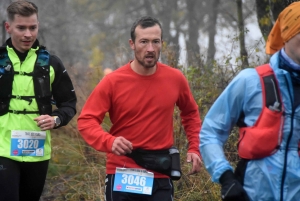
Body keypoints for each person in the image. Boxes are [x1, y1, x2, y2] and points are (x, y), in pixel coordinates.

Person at [77, 16, 201, 201]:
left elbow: (190, 113)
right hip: (123, 173)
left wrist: (194, 148)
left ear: (162, 44)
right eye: (144, 42)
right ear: (132, 44)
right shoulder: (113, 81)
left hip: (160, 172)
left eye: (155, 42)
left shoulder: (175, 78)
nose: (150, 49)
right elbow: (86, 121)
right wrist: (109, 141)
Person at [200, 2, 300, 201]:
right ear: (288, 33)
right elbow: (210, 132)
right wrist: (226, 178)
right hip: (251, 195)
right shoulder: (250, 80)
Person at [0, 1, 77, 201]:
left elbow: (69, 104)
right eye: (21, 28)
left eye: (32, 27)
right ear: (8, 27)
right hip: (2, 148)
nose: (28, 34)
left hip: (37, 149)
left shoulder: (51, 63)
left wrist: (56, 120)